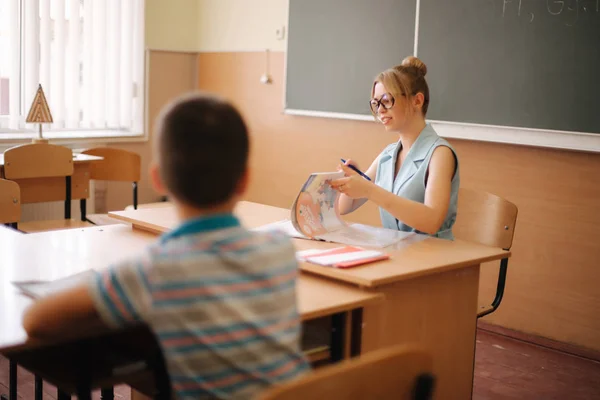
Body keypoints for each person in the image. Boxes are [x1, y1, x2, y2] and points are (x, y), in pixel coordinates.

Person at [22, 92, 310, 399]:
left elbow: (35, 321)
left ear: (158, 179)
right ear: (245, 180)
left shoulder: (153, 270)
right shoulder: (281, 250)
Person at [330, 56, 460, 240]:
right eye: (376, 103)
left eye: (387, 100)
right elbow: (344, 208)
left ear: (417, 101)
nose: (380, 110)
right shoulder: (388, 155)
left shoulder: (440, 154)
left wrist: (368, 189)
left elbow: (432, 221)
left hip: (433, 257)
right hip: (397, 252)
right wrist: (354, 179)